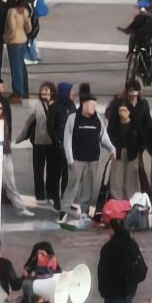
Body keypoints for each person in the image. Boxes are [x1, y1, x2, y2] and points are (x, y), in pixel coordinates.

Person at [60, 90, 114, 225]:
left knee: (88, 188)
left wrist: (112, 148)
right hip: (77, 160)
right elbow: (67, 140)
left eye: (95, 105)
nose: (94, 108)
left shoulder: (98, 120)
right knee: (72, 185)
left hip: (93, 160)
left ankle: (84, 212)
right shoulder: (73, 118)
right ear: (84, 105)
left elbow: (104, 137)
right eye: (91, 105)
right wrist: (70, 159)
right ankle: (64, 210)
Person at [97, 216, 145, 303]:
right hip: (129, 289)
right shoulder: (131, 243)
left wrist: (102, 289)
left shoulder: (109, 247)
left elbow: (103, 271)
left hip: (113, 291)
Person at [18, 83, 59, 205]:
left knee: (52, 170)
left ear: (52, 92)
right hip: (38, 142)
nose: (44, 93)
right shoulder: (37, 106)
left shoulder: (56, 106)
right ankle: (40, 194)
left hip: (52, 143)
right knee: (38, 170)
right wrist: (21, 137)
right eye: (42, 92)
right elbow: (29, 122)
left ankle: (51, 192)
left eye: (46, 91)